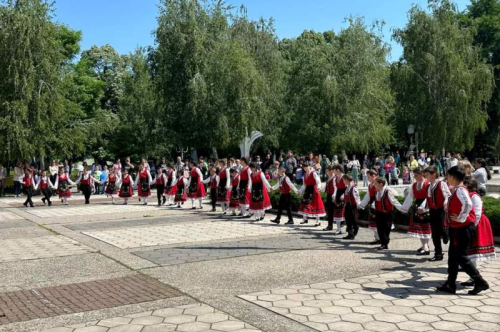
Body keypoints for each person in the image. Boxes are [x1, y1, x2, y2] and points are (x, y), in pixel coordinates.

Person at [436, 166, 489, 295]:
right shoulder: (457, 189)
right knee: (453, 257)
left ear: (453, 177)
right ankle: (450, 283)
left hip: (463, 227)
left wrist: (461, 217)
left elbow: (468, 204)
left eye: (448, 176)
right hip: (458, 227)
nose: (447, 178)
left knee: (461, 256)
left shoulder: (460, 189)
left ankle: (480, 282)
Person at [460, 177, 496, 288]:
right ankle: (473, 277)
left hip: (477, 224)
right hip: (471, 224)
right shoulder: (467, 195)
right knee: (470, 252)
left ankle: (475, 278)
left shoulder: (474, 196)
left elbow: (477, 213)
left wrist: (472, 227)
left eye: (464, 185)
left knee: (473, 252)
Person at [423, 165, 451, 261]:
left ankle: (446, 234)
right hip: (432, 211)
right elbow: (428, 199)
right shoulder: (428, 187)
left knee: (442, 228)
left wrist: (445, 202)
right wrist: (423, 208)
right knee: (434, 233)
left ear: (434, 174)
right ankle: (438, 254)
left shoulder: (441, 184)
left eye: (427, 175)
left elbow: (448, 195)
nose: (425, 177)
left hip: (441, 210)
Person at [400, 168, 431, 255]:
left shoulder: (427, 184)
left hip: (426, 206)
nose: (414, 177)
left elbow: (428, 197)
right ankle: (425, 246)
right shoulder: (414, 185)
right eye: (414, 175)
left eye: (416, 175)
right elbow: (410, 197)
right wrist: (404, 208)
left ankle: (425, 247)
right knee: (419, 228)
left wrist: (424, 208)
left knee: (426, 227)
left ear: (422, 174)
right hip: (417, 206)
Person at [373, 178, 404, 250]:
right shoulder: (377, 192)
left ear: (381, 184)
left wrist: (401, 208)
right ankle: (383, 243)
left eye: (376, 183)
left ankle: (385, 243)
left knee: (386, 228)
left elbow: (393, 201)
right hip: (379, 213)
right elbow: (376, 202)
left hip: (387, 213)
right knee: (380, 228)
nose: (374, 185)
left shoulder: (387, 191)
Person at [359, 169, 381, 244]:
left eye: (368, 177)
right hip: (372, 203)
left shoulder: (378, 184)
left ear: (373, 176)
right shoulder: (370, 185)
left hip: (378, 203)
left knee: (378, 221)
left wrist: (374, 204)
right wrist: (362, 205)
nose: (368, 178)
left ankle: (381, 238)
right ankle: (377, 238)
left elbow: (380, 195)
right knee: (373, 221)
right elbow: (368, 196)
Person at [342, 174, 360, 240]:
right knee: (348, 220)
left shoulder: (353, 188)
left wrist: (358, 205)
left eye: (344, 180)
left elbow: (357, 197)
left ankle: (355, 229)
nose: (343, 181)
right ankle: (350, 234)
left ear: (346, 180)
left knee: (354, 220)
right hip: (347, 206)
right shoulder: (347, 188)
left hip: (352, 206)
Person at [332, 165, 346, 235]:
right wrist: (334, 194)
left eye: (334, 170)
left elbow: (348, 187)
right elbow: (336, 188)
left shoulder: (344, 177)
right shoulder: (336, 178)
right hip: (338, 194)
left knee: (343, 212)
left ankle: (344, 227)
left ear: (338, 170)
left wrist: (344, 195)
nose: (333, 171)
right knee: (337, 211)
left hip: (343, 195)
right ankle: (338, 228)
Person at [323, 166, 336, 231]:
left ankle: (331, 225)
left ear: (330, 171)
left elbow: (335, 188)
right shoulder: (329, 178)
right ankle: (330, 225)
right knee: (330, 211)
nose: (326, 172)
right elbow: (326, 186)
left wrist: (334, 195)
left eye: (327, 171)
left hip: (332, 196)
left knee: (332, 211)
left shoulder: (334, 178)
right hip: (329, 195)